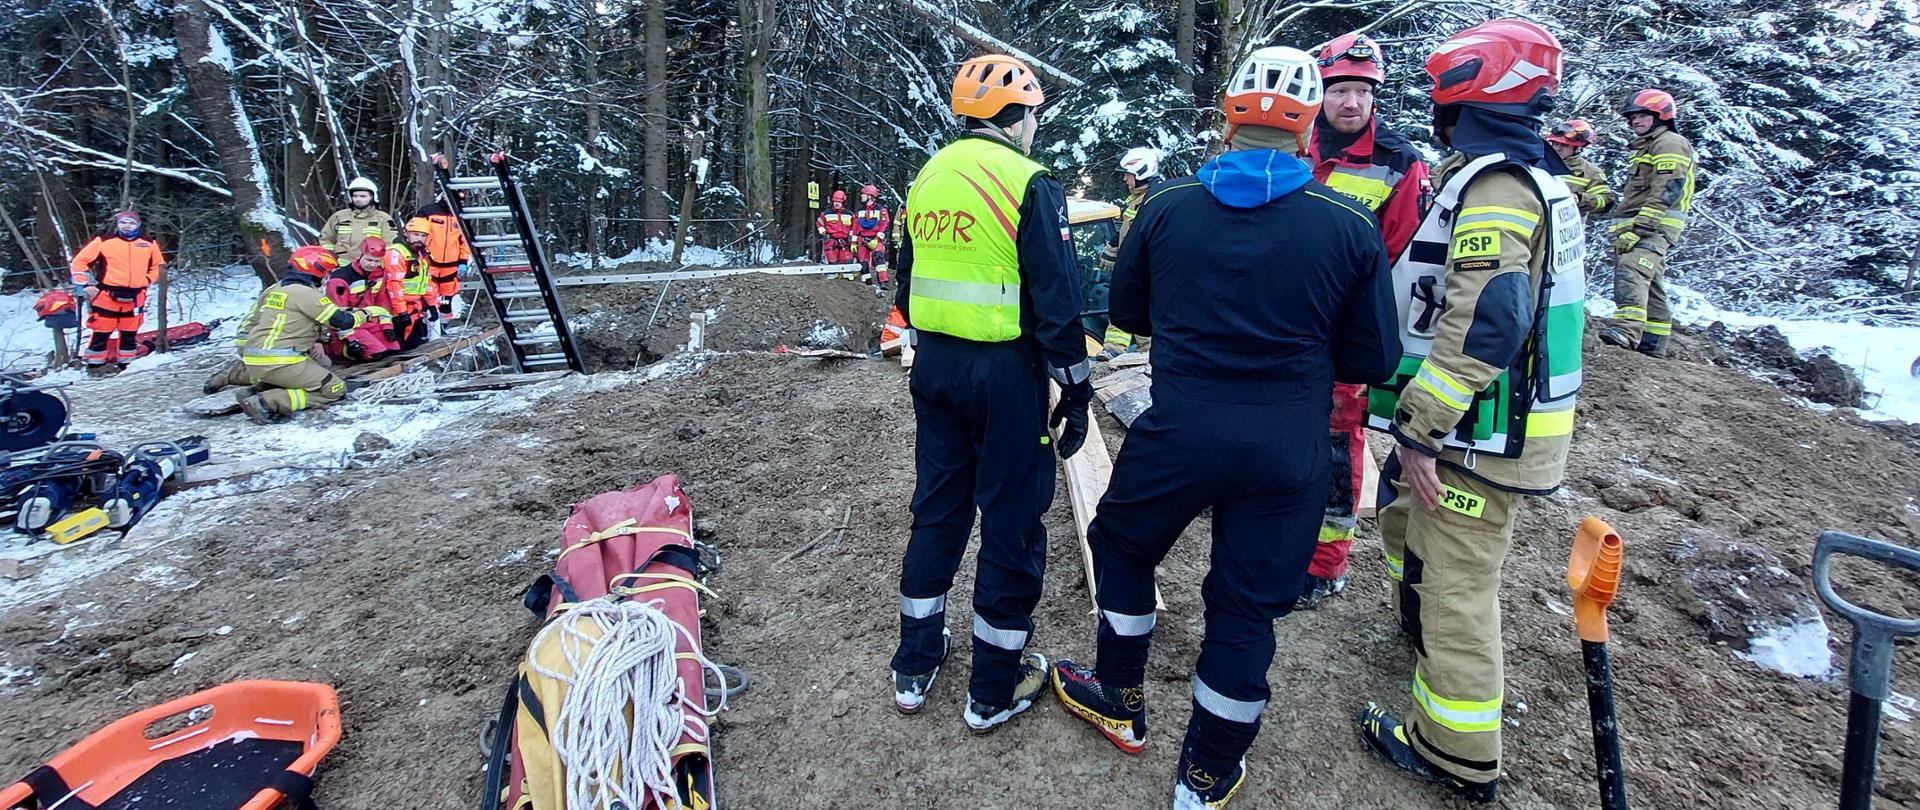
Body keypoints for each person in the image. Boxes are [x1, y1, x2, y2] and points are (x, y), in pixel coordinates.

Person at [1048, 46, 1399, 809]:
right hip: (1286, 444)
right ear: (1309, 123)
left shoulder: (1169, 204)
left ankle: (1120, 695)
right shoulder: (1346, 222)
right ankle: (1206, 774)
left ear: (1228, 114)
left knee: (1122, 545)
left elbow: (1131, 315)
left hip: (1182, 428)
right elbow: (1375, 354)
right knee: (1244, 610)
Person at [1353, 20, 1586, 804]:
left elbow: (1489, 319)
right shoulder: (1525, 172)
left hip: (1478, 432)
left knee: (1456, 584)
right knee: (1404, 531)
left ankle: (1455, 754)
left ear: (1466, 96)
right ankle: (1419, 642)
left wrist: (1421, 425)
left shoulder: (1494, 186)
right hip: (1477, 424)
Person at [890, 53, 1088, 735]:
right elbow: (1058, 297)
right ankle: (991, 690)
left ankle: (915, 663)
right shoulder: (1030, 180)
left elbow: (906, 275)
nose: (1034, 127)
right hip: (1005, 373)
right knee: (1010, 520)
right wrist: (1078, 385)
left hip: (935, 366)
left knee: (939, 508)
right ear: (1019, 116)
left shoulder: (929, 177)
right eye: (1033, 115)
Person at [1296, 31, 1435, 609]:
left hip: (1340, 334)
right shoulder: (1291, 146)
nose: (1352, 102)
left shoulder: (1399, 164)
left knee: (1334, 446)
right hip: (1281, 324)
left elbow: (1398, 261)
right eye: (1340, 90)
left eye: (1363, 91)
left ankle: (1325, 562)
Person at [204, 246, 391, 424]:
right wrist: (369, 312)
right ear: (316, 270)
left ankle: (255, 391)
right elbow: (342, 321)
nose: (327, 277)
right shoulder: (307, 294)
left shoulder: (276, 290)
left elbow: (259, 319)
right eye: (326, 272)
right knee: (334, 388)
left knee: (321, 364)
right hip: (282, 359)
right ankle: (269, 401)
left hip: (255, 356)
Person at [1599, 89, 1695, 358]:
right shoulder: (1651, 145)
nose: (1635, 122)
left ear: (1660, 116)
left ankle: (1626, 331)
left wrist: (1641, 227)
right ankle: (1653, 345)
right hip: (1645, 223)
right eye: (1632, 118)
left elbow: (1668, 186)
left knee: (1632, 270)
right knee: (1650, 282)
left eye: (1642, 116)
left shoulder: (1669, 143)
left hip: (1653, 225)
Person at [69, 210, 165, 374]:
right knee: (101, 332)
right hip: (107, 295)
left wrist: (148, 279)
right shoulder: (104, 241)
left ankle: (126, 366)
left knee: (129, 333)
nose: (127, 226)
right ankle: (95, 366)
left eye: (131, 223)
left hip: (136, 295)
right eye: (123, 222)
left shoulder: (148, 243)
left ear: (138, 225)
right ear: (117, 224)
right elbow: (79, 262)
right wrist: (84, 286)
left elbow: (158, 265)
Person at [1093, 147, 1162, 357]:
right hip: (1131, 266)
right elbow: (1126, 227)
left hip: (1144, 269)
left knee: (1138, 312)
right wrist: (1112, 250)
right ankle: (1115, 350)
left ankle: (1143, 356)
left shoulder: (1153, 200)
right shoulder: (1137, 200)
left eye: (1128, 175)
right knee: (1123, 306)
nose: (1124, 179)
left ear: (1141, 173)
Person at [323, 237, 403, 361]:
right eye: (369, 260)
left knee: (394, 349)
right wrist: (350, 340)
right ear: (360, 255)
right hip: (350, 325)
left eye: (377, 261)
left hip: (370, 322)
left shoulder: (379, 275)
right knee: (374, 354)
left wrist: (387, 327)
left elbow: (383, 306)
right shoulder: (340, 278)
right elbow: (337, 315)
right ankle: (336, 347)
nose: (372, 265)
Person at [385, 219, 441, 350]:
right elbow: (394, 285)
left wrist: (432, 305)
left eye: (423, 236)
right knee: (396, 347)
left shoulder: (422, 255)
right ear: (406, 234)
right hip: (395, 309)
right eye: (416, 234)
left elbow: (427, 282)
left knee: (413, 344)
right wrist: (401, 312)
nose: (419, 239)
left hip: (415, 308)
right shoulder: (397, 253)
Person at [414, 194, 471, 318]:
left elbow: (465, 241)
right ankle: (426, 325)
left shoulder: (462, 216)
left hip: (451, 265)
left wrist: (463, 260)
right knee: (427, 296)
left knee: (447, 299)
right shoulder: (428, 212)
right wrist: (419, 254)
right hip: (429, 263)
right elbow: (415, 234)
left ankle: (444, 327)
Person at [320, 177, 397, 265]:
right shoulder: (339, 217)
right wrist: (331, 258)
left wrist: (380, 265)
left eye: (363, 196)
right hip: (341, 267)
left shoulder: (383, 218)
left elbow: (391, 246)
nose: (358, 199)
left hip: (372, 268)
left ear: (372, 197)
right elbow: (326, 240)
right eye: (355, 196)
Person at [1546, 119, 1612, 216]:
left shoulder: (1590, 172)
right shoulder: (1539, 165)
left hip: (1569, 226)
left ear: (1576, 148)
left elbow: (1605, 200)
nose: (1558, 148)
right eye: (1556, 144)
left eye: (1564, 145)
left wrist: (1580, 199)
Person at [851, 184, 893, 285]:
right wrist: (853, 241)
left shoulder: (881, 210)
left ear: (870, 196)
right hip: (862, 240)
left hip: (875, 239)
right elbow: (855, 227)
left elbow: (885, 225)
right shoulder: (860, 211)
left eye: (863, 194)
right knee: (863, 261)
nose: (861, 196)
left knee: (879, 258)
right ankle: (867, 282)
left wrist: (877, 239)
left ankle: (883, 282)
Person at [816, 190, 856, 264]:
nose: (836, 203)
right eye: (835, 201)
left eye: (839, 202)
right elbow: (819, 223)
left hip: (846, 242)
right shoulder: (826, 213)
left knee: (847, 261)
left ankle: (846, 275)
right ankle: (833, 275)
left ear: (843, 202)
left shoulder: (849, 214)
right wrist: (823, 232)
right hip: (831, 241)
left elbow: (854, 226)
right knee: (832, 262)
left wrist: (851, 237)